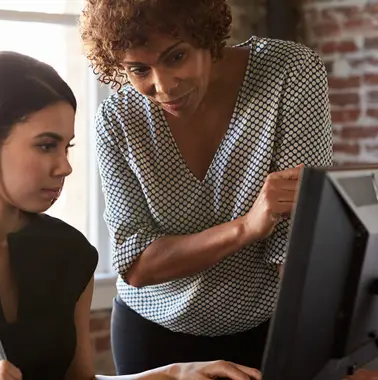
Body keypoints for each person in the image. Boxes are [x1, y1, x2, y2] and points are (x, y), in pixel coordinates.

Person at [0, 51, 262, 380]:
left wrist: (173, 373)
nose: (64, 166)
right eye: (46, 145)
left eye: (67, 147)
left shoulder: (68, 252)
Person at [79, 0, 333, 375]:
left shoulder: (288, 72)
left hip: (266, 328)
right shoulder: (116, 121)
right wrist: (245, 228)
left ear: (208, 36)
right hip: (152, 334)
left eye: (176, 56)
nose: (163, 86)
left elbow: (294, 241)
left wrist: (329, 358)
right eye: (139, 69)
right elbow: (134, 263)